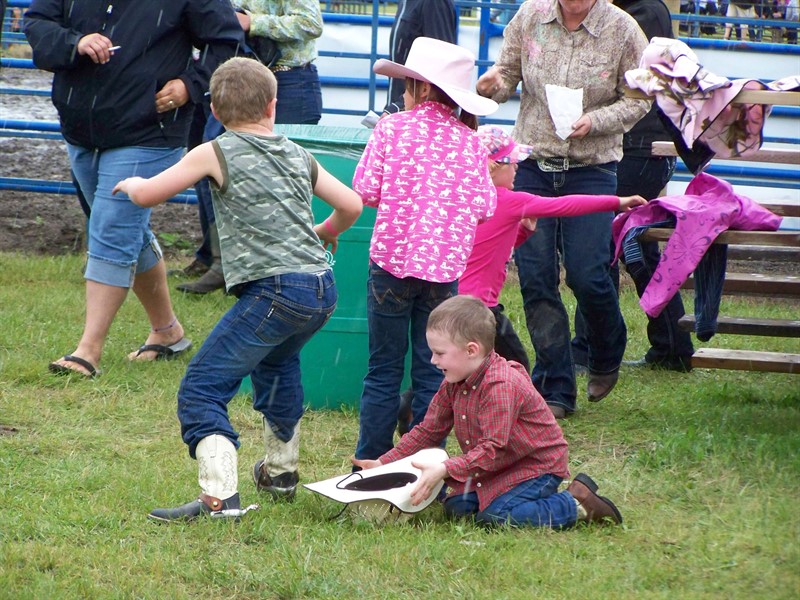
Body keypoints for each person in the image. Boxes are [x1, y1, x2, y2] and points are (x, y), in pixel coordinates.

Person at [112, 57, 363, 521]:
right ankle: (281, 472)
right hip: (321, 287)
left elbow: (150, 195)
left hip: (276, 291)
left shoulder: (216, 150)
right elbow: (352, 203)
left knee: (203, 388)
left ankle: (219, 500)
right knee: (278, 363)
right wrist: (326, 228)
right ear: (273, 105)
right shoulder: (297, 151)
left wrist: (131, 184)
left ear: (214, 108)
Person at [24, 0, 246, 378]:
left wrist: (191, 85)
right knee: (127, 230)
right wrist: (74, 42)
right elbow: (37, 22)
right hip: (80, 128)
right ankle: (167, 332)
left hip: (151, 131)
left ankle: (87, 352)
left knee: (112, 229)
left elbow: (227, 40)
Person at [475, 0, 649, 418]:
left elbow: (640, 98)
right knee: (536, 280)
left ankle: (607, 349)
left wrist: (597, 120)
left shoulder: (623, 29)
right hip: (533, 163)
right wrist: (491, 86)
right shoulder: (530, 16)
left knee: (588, 272)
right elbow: (507, 74)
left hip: (592, 166)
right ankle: (555, 386)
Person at [353, 295, 623, 529]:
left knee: (495, 516)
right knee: (456, 508)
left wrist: (446, 468)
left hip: (534, 466)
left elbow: (494, 450)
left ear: (471, 350)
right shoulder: (455, 381)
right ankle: (516, 498)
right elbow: (428, 430)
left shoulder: (500, 386)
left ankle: (575, 502)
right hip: (497, 467)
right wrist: (383, 463)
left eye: (439, 353)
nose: (433, 360)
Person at [352, 37, 498, 463]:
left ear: (419, 88)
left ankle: (369, 463)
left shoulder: (391, 128)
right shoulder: (471, 143)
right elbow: (485, 206)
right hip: (442, 274)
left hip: (390, 268)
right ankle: (425, 463)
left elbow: (366, 189)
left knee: (383, 369)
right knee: (432, 369)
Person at [462, 125, 648, 375]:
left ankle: (414, 410)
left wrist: (525, 231)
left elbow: (492, 247)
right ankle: (519, 413)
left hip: (452, 301)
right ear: (493, 167)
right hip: (481, 309)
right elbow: (564, 205)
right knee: (515, 368)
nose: (518, 167)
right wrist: (617, 201)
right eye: (513, 162)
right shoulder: (510, 200)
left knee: (462, 368)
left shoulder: (467, 199)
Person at [572, 0, 695, 374]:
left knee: (599, 244)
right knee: (631, 246)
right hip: (640, 148)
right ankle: (672, 344)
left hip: (640, 148)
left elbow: (619, 76)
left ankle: (590, 347)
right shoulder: (641, 10)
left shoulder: (638, 14)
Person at [177, 0, 326, 295]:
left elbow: (311, 23)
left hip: (287, 79)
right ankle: (218, 259)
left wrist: (251, 22)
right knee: (217, 166)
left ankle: (268, 267)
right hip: (246, 79)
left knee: (282, 178)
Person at [382, 0, 457, 116]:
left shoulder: (434, 3)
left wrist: (398, 106)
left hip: (421, 117)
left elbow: (441, 65)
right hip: (406, 112)